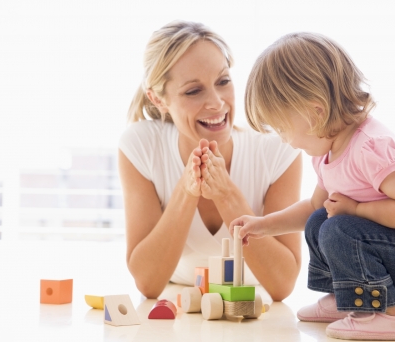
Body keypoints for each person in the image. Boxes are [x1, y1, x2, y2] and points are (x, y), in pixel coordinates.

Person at [230, 32, 395, 341]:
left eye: (282, 128)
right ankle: (346, 297)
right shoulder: (327, 155)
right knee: (320, 219)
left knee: (339, 227)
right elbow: (313, 207)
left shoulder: (371, 148)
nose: (284, 139)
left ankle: (388, 315)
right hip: (388, 261)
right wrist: (264, 226)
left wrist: (357, 209)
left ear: (315, 112)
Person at [118, 20, 302, 300]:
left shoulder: (276, 149)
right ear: (158, 99)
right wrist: (187, 189)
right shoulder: (141, 146)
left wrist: (226, 195)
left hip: (253, 311)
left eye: (223, 81)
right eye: (193, 91)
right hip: (181, 312)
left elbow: (281, 285)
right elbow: (148, 283)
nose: (216, 102)